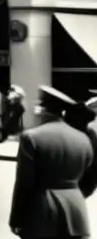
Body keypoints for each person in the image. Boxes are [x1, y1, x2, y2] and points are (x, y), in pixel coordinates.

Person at [10, 86, 93, 238]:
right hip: (76, 213)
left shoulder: (31, 137)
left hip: (42, 210)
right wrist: (74, 194)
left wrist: (16, 218)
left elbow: (24, 182)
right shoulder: (83, 139)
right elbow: (91, 179)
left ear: (42, 110)